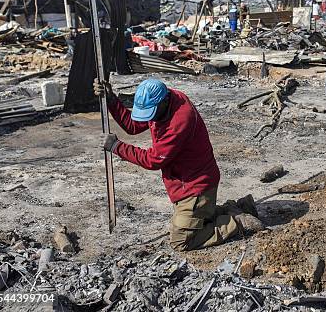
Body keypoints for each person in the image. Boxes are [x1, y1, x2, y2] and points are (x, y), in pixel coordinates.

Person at [93, 78, 263, 251]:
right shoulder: (164, 101)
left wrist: (117, 146)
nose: (149, 117)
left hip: (196, 186)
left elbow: (153, 160)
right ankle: (238, 208)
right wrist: (111, 99)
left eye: (151, 112)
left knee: (181, 240)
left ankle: (236, 223)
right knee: (194, 219)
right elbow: (133, 126)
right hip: (185, 181)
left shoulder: (179, 120)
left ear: (164, 101)